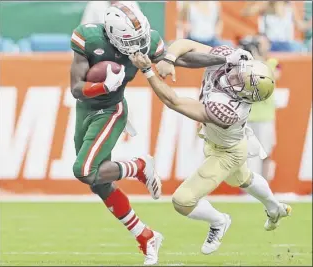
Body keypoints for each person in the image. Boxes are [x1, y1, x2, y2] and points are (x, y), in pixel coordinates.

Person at [70, 2, 235, 265]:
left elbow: (179, 59)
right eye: (130, 40)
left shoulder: (147, 41)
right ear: (111, 34)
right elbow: (76, 89)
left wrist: (224, 57)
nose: (138, 44)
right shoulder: (89, 37)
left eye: (141, 38)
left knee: (84, 171)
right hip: (85, 110)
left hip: (111, 111)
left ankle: (138, 166)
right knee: (98, 183)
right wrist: (101, 85)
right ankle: (146, 236)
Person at [129, 41, 291, 255]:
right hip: (229, 142)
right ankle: (274, 208)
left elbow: (174, 102)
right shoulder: (234, 59)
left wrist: (148, 70)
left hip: (226, 152)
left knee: (182, 201)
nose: (234, 76)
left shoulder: (227, 110)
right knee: (243, 179)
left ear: (245, 95)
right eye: (240, 73)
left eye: (241, 81)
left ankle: (219, 221)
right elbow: (185, 44)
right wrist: (169, 58)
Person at [239, 34, 281, 179]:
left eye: (261, 43)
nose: (259, 46)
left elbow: (271, 76)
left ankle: (265, 185)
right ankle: (248, 186)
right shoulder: (245, 64)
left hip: (265, 117)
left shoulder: (273, 62)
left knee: (265, 152)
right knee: (247, 153)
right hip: (247, 116)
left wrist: (256, 58)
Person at [242, 1, 312, 52]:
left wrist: (310, 23)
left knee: (300, 47)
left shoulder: (290, 6)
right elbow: (245, 13)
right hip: (270, 43)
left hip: (287, 43)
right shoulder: (266, 5)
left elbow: (301, 26)